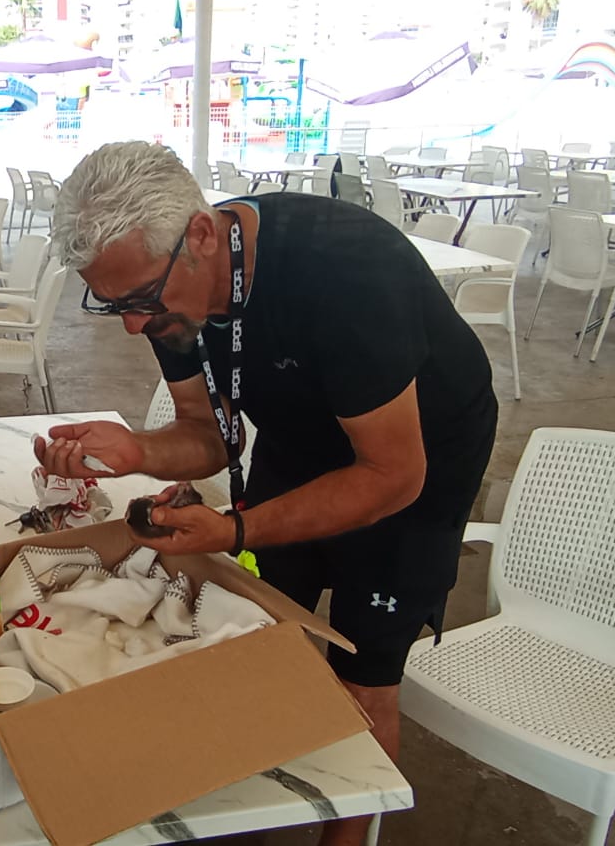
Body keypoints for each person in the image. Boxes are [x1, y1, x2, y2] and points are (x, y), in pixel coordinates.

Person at [34, 141, 497, 846]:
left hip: (416, 456)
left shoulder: (343, 273)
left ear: (199, 235)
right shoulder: (166, 287)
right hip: (307, 432)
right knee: (257, 622)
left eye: (137, 302)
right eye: (111, 303)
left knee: (364, 677)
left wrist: (235, 530)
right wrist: (137, 451)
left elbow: (390, 476)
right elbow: (209, 436)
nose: (132, 323)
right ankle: (243, 788)